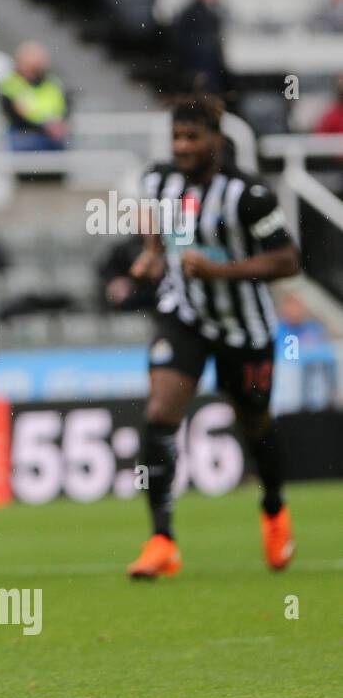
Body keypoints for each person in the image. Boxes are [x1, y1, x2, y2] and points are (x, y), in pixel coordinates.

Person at [127, 95, 300, 579]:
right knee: (160, 412)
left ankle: (273, 509)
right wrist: (152, 257)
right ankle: (162, 540)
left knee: (256, 423)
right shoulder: (158, 180)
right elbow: (156, 226)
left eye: (192, 137)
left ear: (216, 141)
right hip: (184, 316)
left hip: (244, 329)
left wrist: (221, 271)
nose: (182, 147)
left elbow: (288, 260)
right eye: (176, 137)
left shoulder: (249, 195)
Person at [0, 42, 70, 152]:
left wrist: (57, 125)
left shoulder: (52, 82)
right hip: (26, 136)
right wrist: (44, 128)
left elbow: (64, 107)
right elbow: (15, 116)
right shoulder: (11, 84)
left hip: (54, 136)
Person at [172, 0, 228, 96]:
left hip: (213, 64)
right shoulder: (191, 11)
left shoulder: (218, 8)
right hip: (197, 63)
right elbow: (181, 38)